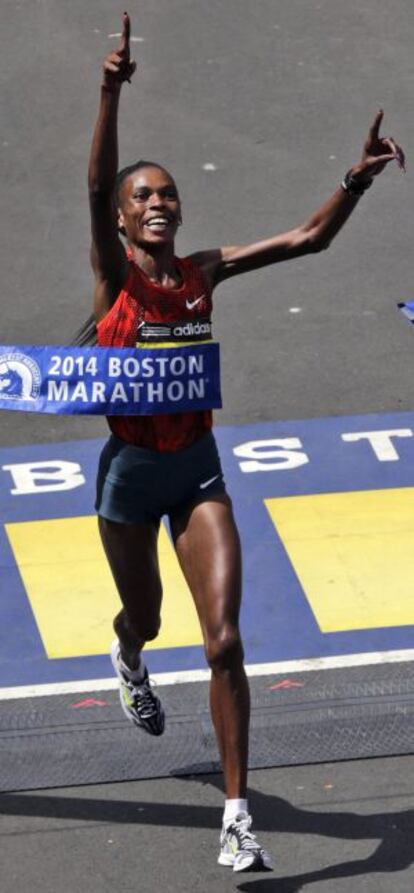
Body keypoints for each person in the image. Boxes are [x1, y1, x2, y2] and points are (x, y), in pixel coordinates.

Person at [88, 13, 404, 873]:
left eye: (168, 194)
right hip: (127, 477)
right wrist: (110, 90)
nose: (159, 204)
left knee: (223, 639)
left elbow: (310, 238)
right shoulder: (117, 277)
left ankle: (237, 814)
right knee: (147, 615)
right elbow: (91, 186)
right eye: (141, 196)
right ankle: (128, 649)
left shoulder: (205, 272)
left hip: (196, 472)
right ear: (120, 220)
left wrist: (356, 178)